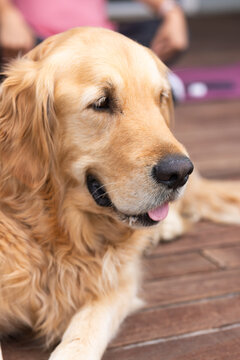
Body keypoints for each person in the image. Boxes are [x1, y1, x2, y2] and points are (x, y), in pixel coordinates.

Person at [0, 0, 188, 65]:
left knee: (158, 29)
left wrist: (173, 12)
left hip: (100, 44)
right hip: (38, 45)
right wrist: (6, 13)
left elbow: (165, 8)